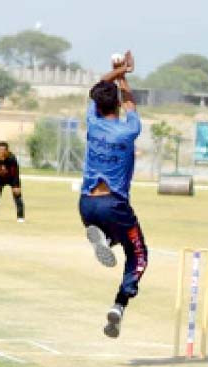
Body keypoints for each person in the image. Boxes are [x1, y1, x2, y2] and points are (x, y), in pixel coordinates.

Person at [78, 50, 145, 338]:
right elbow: (130, 103)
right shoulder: (128, 130)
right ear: (117, 103)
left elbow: (96, 91)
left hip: (86, 205)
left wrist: (117, 72)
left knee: (117, 236)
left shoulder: (92, 124)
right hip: (114, 204)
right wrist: (125, 77)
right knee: (139, 255)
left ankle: (105, 238)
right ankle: (120, 304)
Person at [0, 142, 24, 222]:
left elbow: (16, 172)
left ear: (7, 151)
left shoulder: (11, 157)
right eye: (0, 150)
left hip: (12, 178)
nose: (1, 152)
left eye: (3, 150)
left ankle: (20, 217)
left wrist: (16, 186)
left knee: (17, 196)